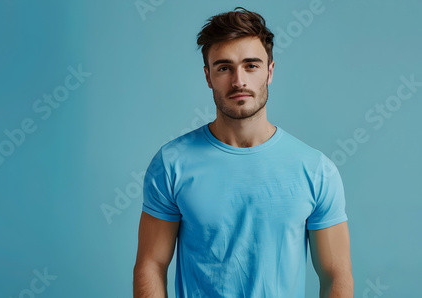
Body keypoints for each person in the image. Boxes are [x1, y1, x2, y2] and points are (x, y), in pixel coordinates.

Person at [133, 7, 353, 298]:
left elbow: (336, 276)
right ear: (208, 76)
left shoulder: (315, 170)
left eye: (251, 65)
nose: (239, 81)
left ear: (270, 71)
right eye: (224, 67)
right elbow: (150, 265)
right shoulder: (172, 163)